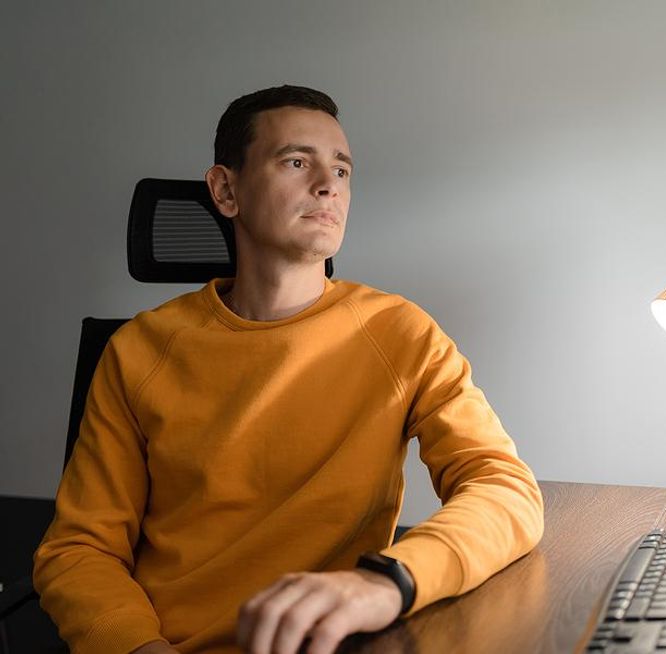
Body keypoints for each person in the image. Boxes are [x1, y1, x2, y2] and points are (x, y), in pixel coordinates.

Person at [33, 85, 545, 654]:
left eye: (342, 170)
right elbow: (79, 550)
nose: (328, 185)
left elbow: (504, 489)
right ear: (226, 190)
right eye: (297, 162)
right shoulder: (137, 351)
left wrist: (386, 581)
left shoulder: (401, 333)